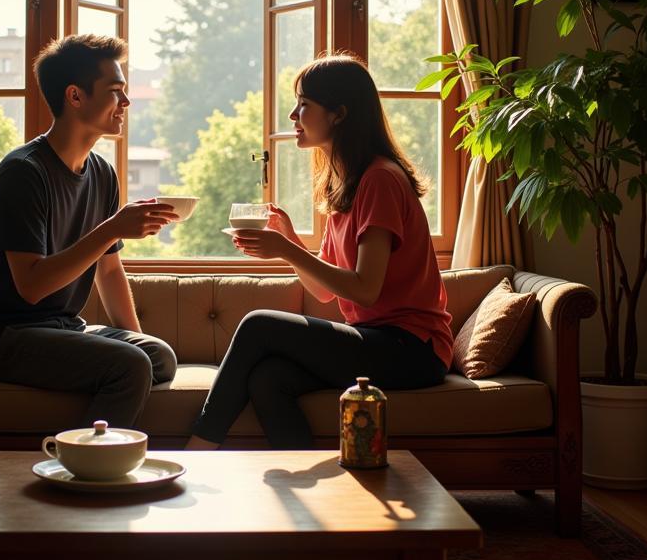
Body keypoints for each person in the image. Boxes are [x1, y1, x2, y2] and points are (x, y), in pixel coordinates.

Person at [188, 52, 452, 450]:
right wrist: (290, 242)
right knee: (269, 378)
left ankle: (199, 449)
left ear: (339, 114)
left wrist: (287, 251)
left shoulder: (379, 180)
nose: (293, 116)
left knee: (259, 324)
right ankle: (311, 499)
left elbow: (365, 289)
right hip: (375, 339)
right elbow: (326, 291)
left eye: (304, 105)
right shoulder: (346, 182)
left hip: (411, 350)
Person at [0, 34, 180, 429]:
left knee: (158, 356)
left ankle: (93, 425)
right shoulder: (23, 174)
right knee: (130, 366)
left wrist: (137, 348)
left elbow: (109, 273)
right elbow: (31, 286)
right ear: (75, 97)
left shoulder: (102, 173)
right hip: (1, 337)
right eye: (115, 92)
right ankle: (84, 468)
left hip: (61, 329)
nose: (126, 103)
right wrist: (112, 227)